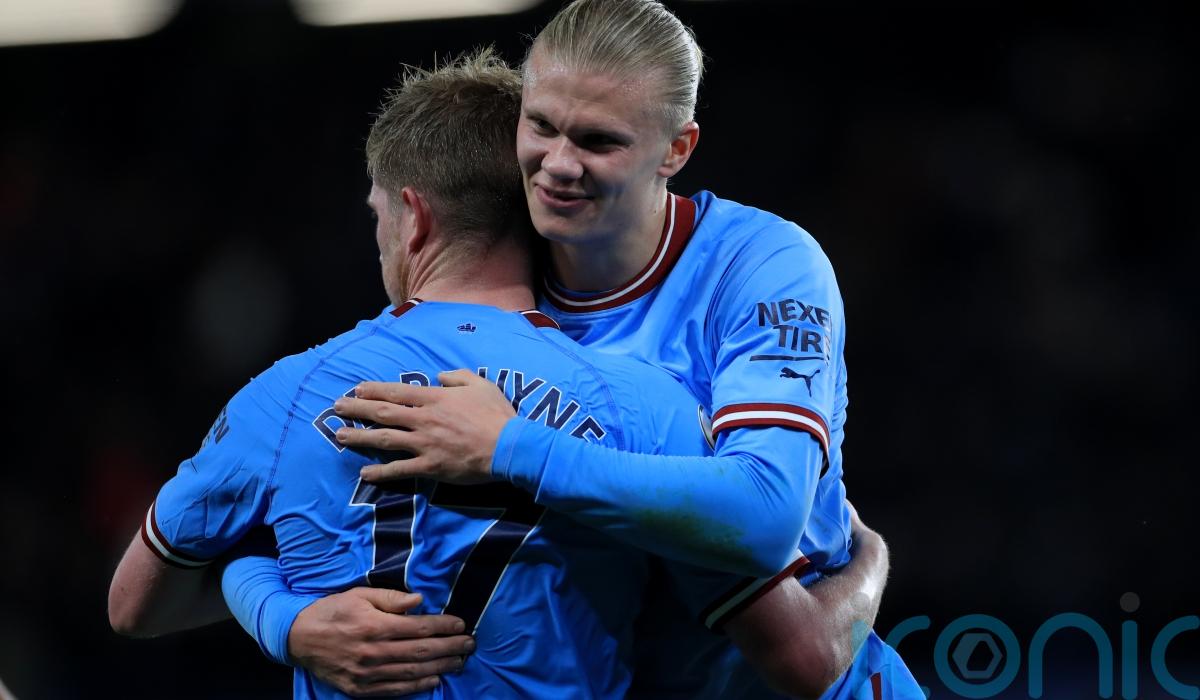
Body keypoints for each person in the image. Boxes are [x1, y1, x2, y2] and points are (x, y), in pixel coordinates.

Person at [107, 48, 895, 699]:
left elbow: (134, 604)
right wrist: (871, 558)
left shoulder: (285, 397)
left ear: (413, 216)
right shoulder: (648, 408)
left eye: (378, 215)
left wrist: (282, 617)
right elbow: (803, 656)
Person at [316, 1, 924, 697]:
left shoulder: (760, 264)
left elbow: (765, 516)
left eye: (598, 141)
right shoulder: (491, 289)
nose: (558, 165)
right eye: (541, 125)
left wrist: (511, 448)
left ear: (676, 150)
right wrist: (288, 620)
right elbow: (279, 488)